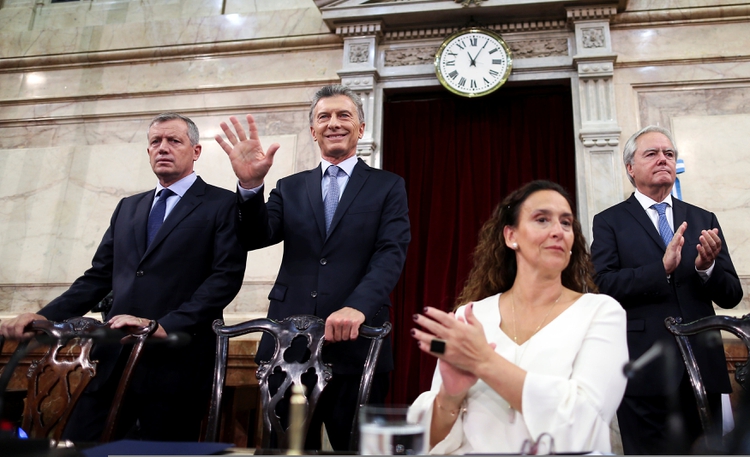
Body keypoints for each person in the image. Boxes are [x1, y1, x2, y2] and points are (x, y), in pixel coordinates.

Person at [0, 113, 247, 442]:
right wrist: (45, 314)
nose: (163, 148)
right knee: (78, 443)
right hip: (114, 360)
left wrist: (164, 324)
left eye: (174, 141)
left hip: (177, 361)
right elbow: (97, 277)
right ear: (147, 152)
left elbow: (224, 279)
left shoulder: (224, 204)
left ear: (196, 151)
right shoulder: (128, 207)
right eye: (155, 142)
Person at [214, 84, 411, 450]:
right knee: (285, 449)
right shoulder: (290, 187)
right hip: (287, 346)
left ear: (360, 128)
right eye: (324, 117)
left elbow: (391, 251)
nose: (333, 123)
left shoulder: (388, 186)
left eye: (343, 115)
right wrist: (250, 185)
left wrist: (359, 305)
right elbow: (257, 235)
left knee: (360, 450)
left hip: (357, 342)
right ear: (313, 130)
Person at [409, 180, 628, 454]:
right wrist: (450, 397)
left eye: (566, 223)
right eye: (542, 220)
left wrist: (485, 363)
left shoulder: (602, 313)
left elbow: (584, 422)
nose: (558, 231)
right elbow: (429, 441)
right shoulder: (470, 316)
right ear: (511, 236)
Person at [591, 125, 743, 453]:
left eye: (669, 154)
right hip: (643, 370)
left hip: (704, 369)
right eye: (652, 154)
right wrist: (660, 270)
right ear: (630, 168)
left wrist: (707, 269)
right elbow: (603, 285)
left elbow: (732, 295)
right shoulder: (609, 222)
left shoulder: (703, 218)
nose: (664, 159)